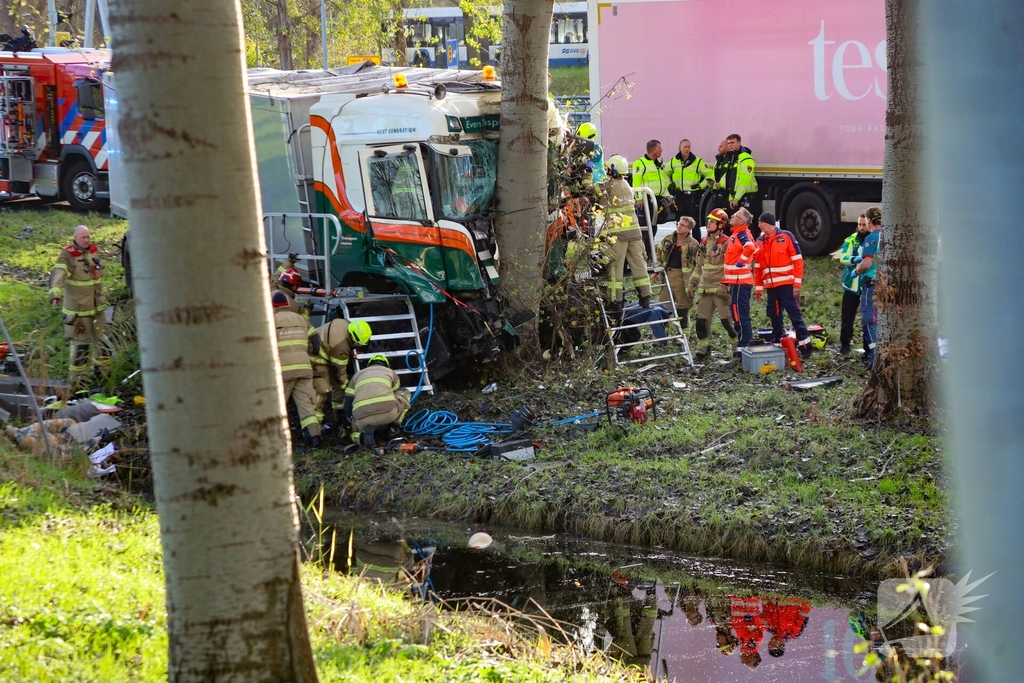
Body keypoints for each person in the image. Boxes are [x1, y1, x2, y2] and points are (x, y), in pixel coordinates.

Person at [48, 225, 110, 389]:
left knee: (103, 343)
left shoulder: (93, 252)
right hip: (79, 313)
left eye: (88, 237)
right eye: (83, 237)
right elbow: (58, 276)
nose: (87, 240)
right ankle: (78, 384)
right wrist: (55, 294)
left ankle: (103, 377)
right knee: (80, 348)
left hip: (97, 309)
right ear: (75, 237)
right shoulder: (67, 256)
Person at [753, 212, 813, 358]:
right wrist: (759, 289)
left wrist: (797, 284)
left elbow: (798, 261)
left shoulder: (786, 237)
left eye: (761, 222)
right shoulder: (760, 241)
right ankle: (778, 345)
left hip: (787, 286)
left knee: (795, 315)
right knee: (775, 317)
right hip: (771, 288)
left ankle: (805, 345)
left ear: (769, 223)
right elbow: (758, 267)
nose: (759, 225)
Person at [598, 155, 652, 316]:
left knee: (616, 266)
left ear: (612, 170)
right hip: (634, 233)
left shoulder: (608, 186)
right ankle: (645, 296)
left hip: (618, 234)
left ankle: (616, 302)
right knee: (639, 264)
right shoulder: (627, 185)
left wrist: (586, 175)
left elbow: (588, 190)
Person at [272, 291, 322, 448]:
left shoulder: (271, 321)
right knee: (306, 405)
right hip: (304, 368)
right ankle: (314, 437)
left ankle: (275, 441)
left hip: (283, 371)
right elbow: (315, 341)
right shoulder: (301, 319)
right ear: (287, 304)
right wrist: (311, 354)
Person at [689, 208, 737, 359]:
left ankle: (738, 349)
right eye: (708, 221)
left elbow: (731, 267)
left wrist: (726, 285)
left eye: (712, 221)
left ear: (721, 225)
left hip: (720, 291)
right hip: (705, 290)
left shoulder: (727, 242)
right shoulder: (704, 242)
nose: (708, 223)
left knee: (728, 322)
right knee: (701, 322)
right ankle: (702, 350)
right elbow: (699, 266)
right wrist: (692, 284)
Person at [312, 318, 372, 429]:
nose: (358, 346)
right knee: (323, 392)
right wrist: (347, 388)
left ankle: (339, 419)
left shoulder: (344, 323)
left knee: (337, 387)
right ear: (354, 338)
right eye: (358, 344)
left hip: (318, 349)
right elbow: (339, 373)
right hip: (315, 359)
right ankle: (313, 429)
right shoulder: (341, 347)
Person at [345, 354, 411, 447]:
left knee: (356, 426)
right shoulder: (389, 372)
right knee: (404, 392)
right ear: (386, 364)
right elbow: (395, 389)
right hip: (388, 414)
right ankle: (394, 427)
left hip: (362, 419)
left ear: (369, 364)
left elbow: (347, 403)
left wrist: (352, 421)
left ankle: (359, 437)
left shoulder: (357, 375)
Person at [655, 215, 700, 328]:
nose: (679, 227)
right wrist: (656, 271)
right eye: (679, 224)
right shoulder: (668, 239)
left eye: (682, 225)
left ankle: (683, 336)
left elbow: (698, 265)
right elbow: (658, 255)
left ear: (689, 229)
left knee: (682, 309)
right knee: (663, 307)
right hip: (668, 276)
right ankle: (661, 336)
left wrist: (693, 283)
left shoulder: (694, 245)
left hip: (683, 280)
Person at [723, 208, 756, 355]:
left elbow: (749, 247)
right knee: (736, 312)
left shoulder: (742, 233)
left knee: (739, 314)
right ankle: (742, 344)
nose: (731, 216)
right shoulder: (736, 234)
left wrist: (740, 262)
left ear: (741, 221)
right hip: (737, 282)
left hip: (741, 282)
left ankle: (744, 345)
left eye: (735, 215)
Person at [838, 214, 870, 355]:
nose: (862, 228)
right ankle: (845, 346)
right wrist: (853, 259)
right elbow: (843, 257)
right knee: (847, 317)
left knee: (868, 319)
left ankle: (867, 348)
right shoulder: (851, 239)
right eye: (859, 225)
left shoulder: (873, 240)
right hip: (851, 285)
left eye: (864, 225)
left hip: (867, 286)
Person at [855, 206, 883, 366]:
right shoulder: (888, 235)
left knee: (870, 320)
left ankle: (875, 360)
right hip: (886, 284)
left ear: (869, 220)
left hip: (872, 283)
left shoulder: (872, 238)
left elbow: (867, 263)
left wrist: (857, 271)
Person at [667, 139, 713, 223]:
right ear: (679, 148)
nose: (687, 149)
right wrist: (670, 185)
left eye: (688, 147)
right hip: (679, 196)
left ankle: (696, 237)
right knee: (680, 221)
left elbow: (710, 175)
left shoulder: (697, 161)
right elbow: (664, 174)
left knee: (694, 222)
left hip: (692, 197)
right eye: (685, 147)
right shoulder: (673, 161)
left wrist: (700, 186)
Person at [631, 139, 671, 232]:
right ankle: (645, 246)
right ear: (653, 150)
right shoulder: (640, 163)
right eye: (659, 148)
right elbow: (636, 182)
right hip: (646, 200)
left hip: (656, 199)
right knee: (645, 227)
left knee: (653, 226)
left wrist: (667, 195)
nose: (661, 150)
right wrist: (639, 199)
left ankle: (650, 245)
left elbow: (662, 182)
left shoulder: (658, 164)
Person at [721, 134, 758, 212]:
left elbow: (744, 180)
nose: (730, 145)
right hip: (737, 197)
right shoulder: (733, 158)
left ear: (739, 143)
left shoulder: (746, 158)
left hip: (746, 196)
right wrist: (731, 198)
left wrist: (737, 198)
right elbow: (731, 180)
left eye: (732, 142)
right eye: (728, 143)